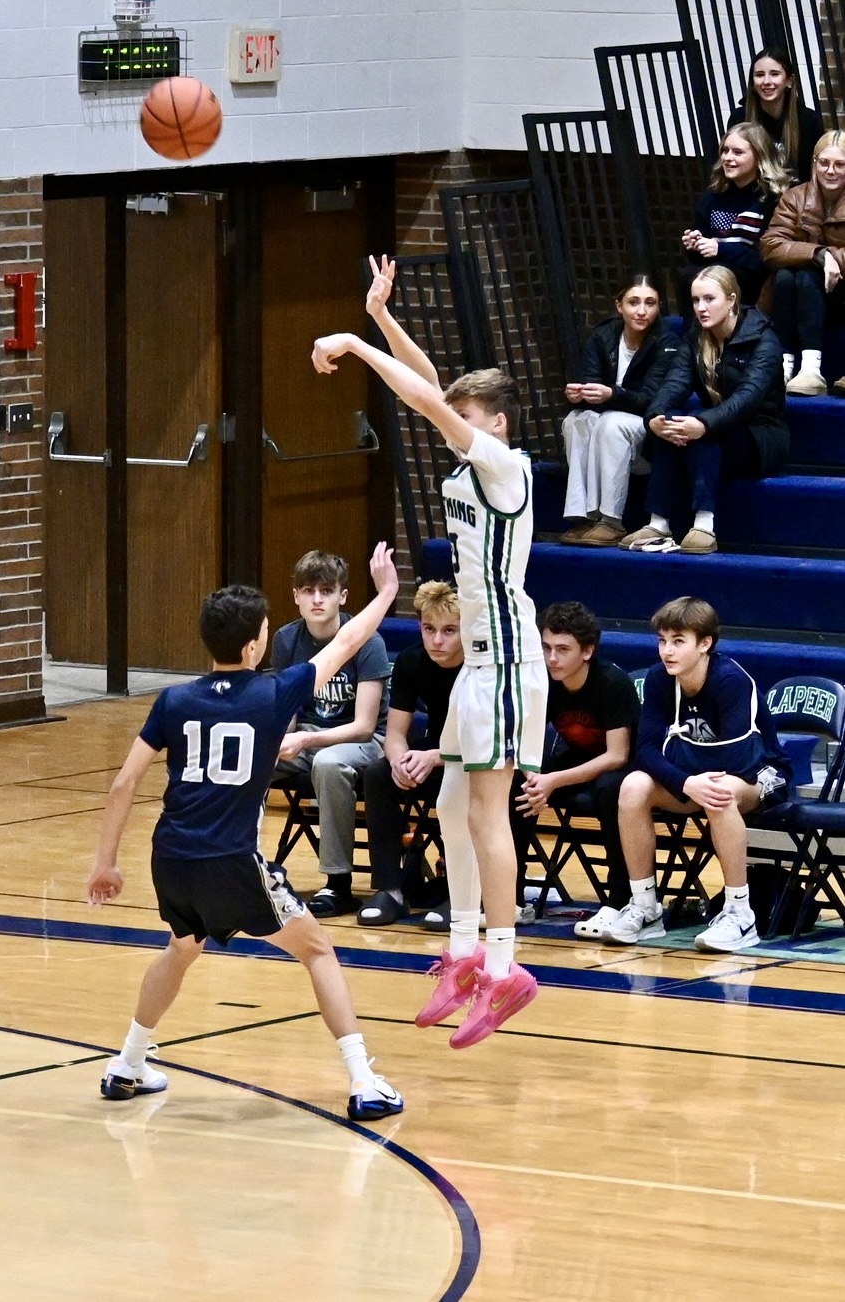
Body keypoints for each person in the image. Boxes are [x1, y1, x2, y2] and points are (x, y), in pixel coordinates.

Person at [83, 546, 405, 1122]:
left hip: (171, 857)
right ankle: (364, 1081)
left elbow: (123, 784)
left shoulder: (173, 699)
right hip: (231, 858)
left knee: (182, 949)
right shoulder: (273, 692)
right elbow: (348, 643)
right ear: (256, 645)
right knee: (319, 951)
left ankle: (128, 1063)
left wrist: (105, 863)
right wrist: (384, 593)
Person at [314, 257, 548, 1050]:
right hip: (481, 663)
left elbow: (422, 398)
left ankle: (506, 967)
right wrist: (380, 318)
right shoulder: (474, 449)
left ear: (500, 425)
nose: (457, 424)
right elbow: (432, 387)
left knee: (486, 812)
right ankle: (460, 952)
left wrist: (352, 340)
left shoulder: (505, 466)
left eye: (470, 418)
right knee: (451, 804)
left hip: (509, 656)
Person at [597, 598, 794, 952]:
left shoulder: (731, 680)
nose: (667, 651)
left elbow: (737, 759)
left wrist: (682, 767)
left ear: (705, 644)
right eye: (662, 641)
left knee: (720, 791)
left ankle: (739, 913)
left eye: (678, 640)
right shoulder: (660, 680)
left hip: (759, 773)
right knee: (633, 786)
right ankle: (645, 908)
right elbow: (644, 752)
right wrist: (686, 781)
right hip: (696, 778)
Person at [627, 265, 789, 556]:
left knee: (701, 433)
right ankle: (658, 524)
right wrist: (655, 417)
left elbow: (748, 397)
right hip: (720, 429)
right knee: (673, 424)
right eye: (695, 300)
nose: (701, 308)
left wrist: (703, 423)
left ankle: (704, 524)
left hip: (761, 435)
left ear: (731, 300)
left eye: (709, 299)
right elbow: (674, 383)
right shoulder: (694, 339)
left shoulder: (763, 338)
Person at [266, 549, 391, 918]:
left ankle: (338, 883)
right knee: (252, 758)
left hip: (364, 743)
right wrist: (276, 743)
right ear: (296, 596)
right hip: (309, 735)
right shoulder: (287, 639)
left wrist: (304, 740)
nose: (317, 599)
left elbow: (365, 726)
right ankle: (242, 864)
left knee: (329, 763)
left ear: (343, 596)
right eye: (308, 591)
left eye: (326, 590)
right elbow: (287, 711)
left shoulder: (367, 641)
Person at [509, 603, 638, 934]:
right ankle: (511, 896)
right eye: (547, 647)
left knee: (612, 791)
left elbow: (617, 756)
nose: (552, 658)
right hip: (580, 760)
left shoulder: (612, 683)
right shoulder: (543, 680)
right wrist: (536, 780)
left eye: (562, 650)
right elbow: (527, 741)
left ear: (587, 651)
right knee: (518, 788)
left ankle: (618, 900)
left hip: (628, 768)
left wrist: (553, 781)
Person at [358, 581, 464, 928]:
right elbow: (395, 735)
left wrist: (434, 757)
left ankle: (461, 895)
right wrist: (399, 762)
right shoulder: (411, 660)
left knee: (466, 778)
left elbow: (487, 744)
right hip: (436, 753)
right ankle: (391, 890)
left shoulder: (483, 665)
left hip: (475, 760)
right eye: (428, 629)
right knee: (377, 773)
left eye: (449, 631)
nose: (437, 640)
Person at [559, 276, 682, 545]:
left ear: (659, 307)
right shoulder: (602, 336)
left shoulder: (668, 343)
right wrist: (579, 396)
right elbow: (589, 380)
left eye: (650, 303)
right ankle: (584, 517)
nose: (641, 311)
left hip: (646, 430)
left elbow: (650, 398)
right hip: (608, 420)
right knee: (575, 420)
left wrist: (611, 394)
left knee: (611, 422)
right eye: (633, 302)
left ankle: (611, 520)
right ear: (619, 306)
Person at [761, 129, 845, 396]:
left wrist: (832, 260)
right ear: (814, 164)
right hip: (798, 295)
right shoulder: (795, 197)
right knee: (789, 275)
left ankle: (809, 367)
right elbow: (770, 245)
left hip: (841, 293)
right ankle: (787, 367)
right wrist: (821, 255)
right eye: (824, 163)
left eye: (840, 164)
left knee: (801, 274)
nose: (830, 171)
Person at [683, 123, 789, 307]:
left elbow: (766, 257)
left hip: (751, 276)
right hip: (713, 269)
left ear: (759, 156)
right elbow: (701, 248)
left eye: (737, 152)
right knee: (688, 276)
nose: (728, 158)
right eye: (725, 151)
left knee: (716, 284)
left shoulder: (773, 199)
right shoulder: (713, 194)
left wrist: (721, 249)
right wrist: (694, 244)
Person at [726, 47, 825, 183]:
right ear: (753, 83)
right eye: (760, 75)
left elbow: (815, 172)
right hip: (752, 198)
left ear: (789, 81)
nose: (766, 81)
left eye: (774, 74)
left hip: (795, 200)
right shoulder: (739, 118)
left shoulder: (808, 121)